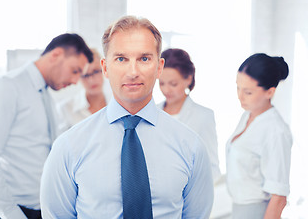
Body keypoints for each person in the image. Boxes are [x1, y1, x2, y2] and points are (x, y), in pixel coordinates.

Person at [40, 16, 214, 218]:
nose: (133, 72)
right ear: (105, 67)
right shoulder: (69, 147)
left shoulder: (191, 147)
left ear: (159, 67)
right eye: (121, 59)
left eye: (144, 59)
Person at [0, 33, 93, 219]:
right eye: (75, 70)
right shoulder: (7, 88)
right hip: (12, 212)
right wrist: (12, 214)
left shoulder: (45, 95)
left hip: (41, 210)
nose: (76, 81)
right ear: (56, 55)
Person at [226, 53, 292, 218]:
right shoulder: (248, 115)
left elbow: (279, 197)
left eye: (248, 92)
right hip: (237, 210)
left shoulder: (275, 131)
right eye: (237, 87)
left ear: (269, 92)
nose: (239, 96)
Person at [158, 48, 221, 182]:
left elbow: (212, 167)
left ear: (188, 79)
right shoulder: (152, 112)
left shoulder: (203, 116)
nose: (166, 90)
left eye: (173, 84)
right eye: (161, 83)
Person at [58, 48, 111, 129]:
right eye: (85, 75)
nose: (91, 80)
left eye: (96, 71)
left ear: (104, 68)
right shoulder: (65, 109)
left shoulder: (118, 102)